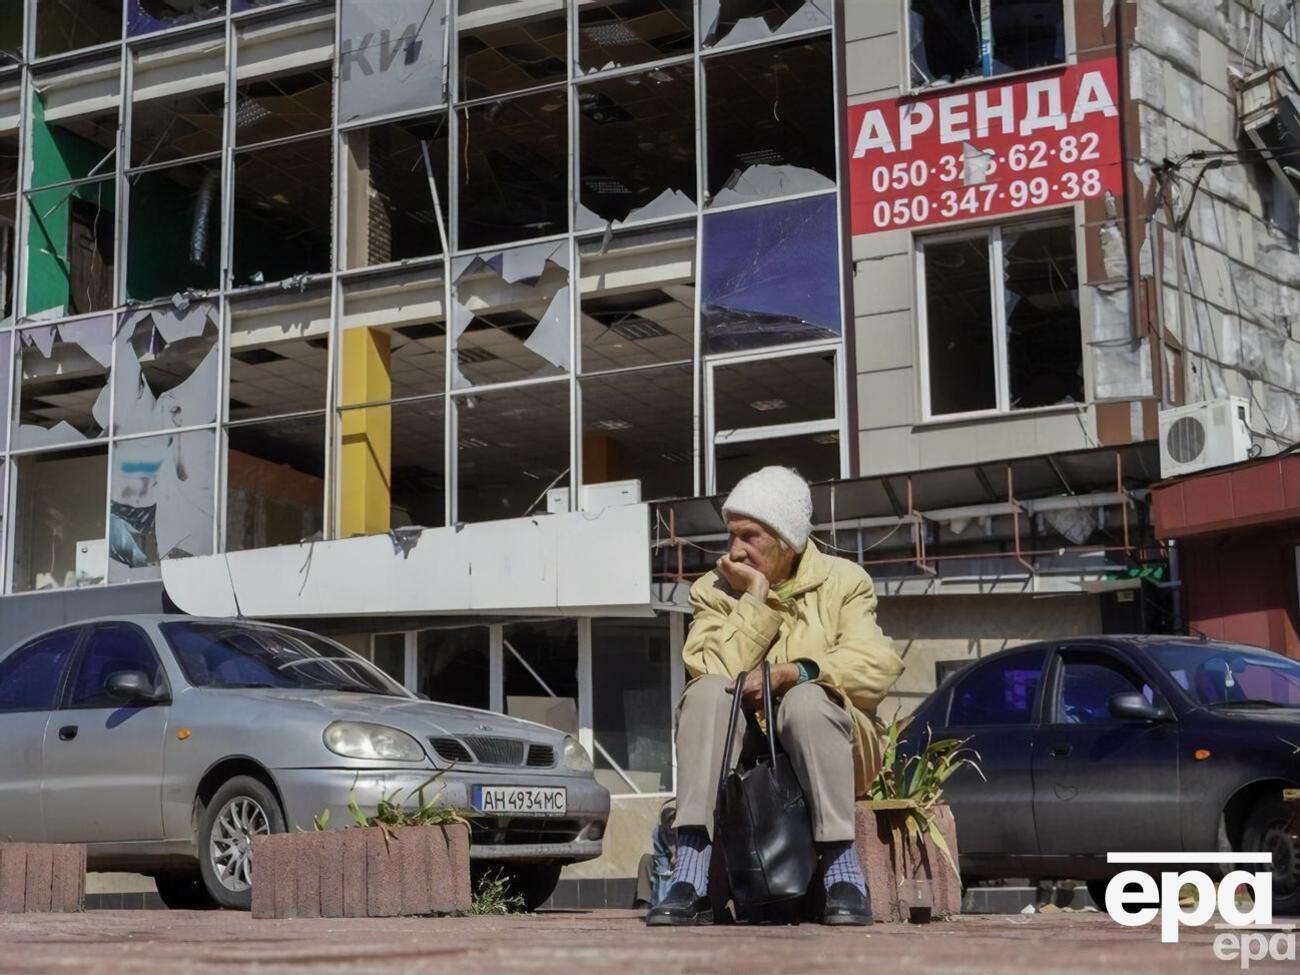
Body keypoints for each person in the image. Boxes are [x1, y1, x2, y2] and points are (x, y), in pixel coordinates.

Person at [647, 466, 904, 927]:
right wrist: (755, 598)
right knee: (705, 694)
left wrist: (797, 672)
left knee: (806, 701)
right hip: (746, 750)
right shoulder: (713, 590)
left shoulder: (845, 581)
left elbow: (878, 664)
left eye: (750, 536)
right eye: (731, 535)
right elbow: (713, 668)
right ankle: (689, 875)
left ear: (787, 539)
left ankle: (843, 874)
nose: (734, 550)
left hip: (835, 743)